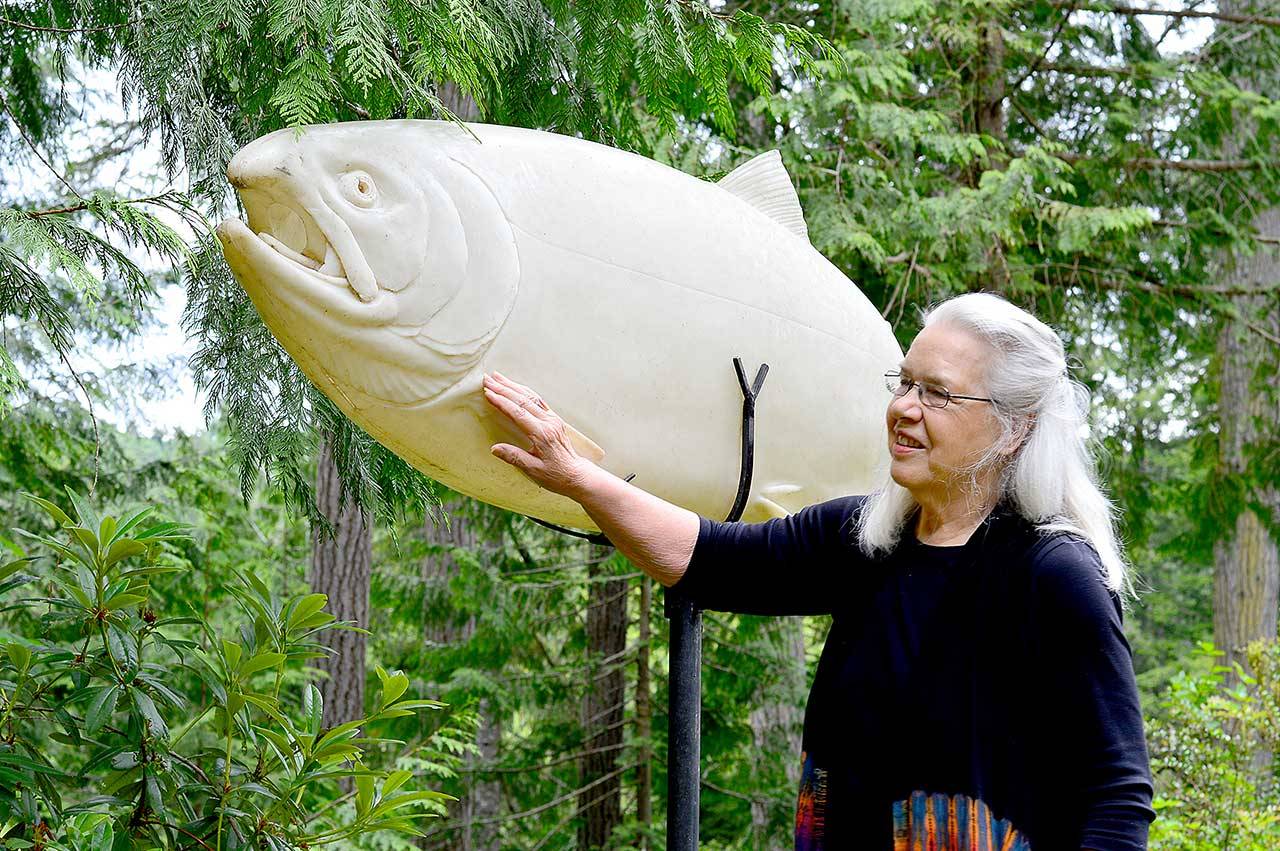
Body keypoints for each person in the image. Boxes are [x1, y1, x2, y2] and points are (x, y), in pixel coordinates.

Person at [481, 292, 1155, 851]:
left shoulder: (1054, 575)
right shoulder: (865, 539)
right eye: (906, 383)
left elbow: (1117, 798)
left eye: (939, 394)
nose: (905, 408)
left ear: (1013, 427)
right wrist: (580, 479)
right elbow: (707, 559)